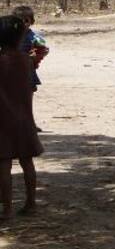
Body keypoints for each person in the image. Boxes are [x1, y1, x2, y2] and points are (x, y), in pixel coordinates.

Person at [0, 15, 41, 219]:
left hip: (2, 120)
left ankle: (7, 209)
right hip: (24, 118)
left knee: (4, 166)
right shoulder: (26, 61)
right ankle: (31, 203)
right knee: (27, 163)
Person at [12, 7, 46, 133]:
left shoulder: (34, 37)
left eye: (26, 21)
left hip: (27, 73)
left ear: (31, 21)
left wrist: (36, 56)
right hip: (10, 74)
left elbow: (42, 49)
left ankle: (29, 123)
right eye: (19, 21)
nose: (23, 24)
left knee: (27, 100)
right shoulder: (8, 37)